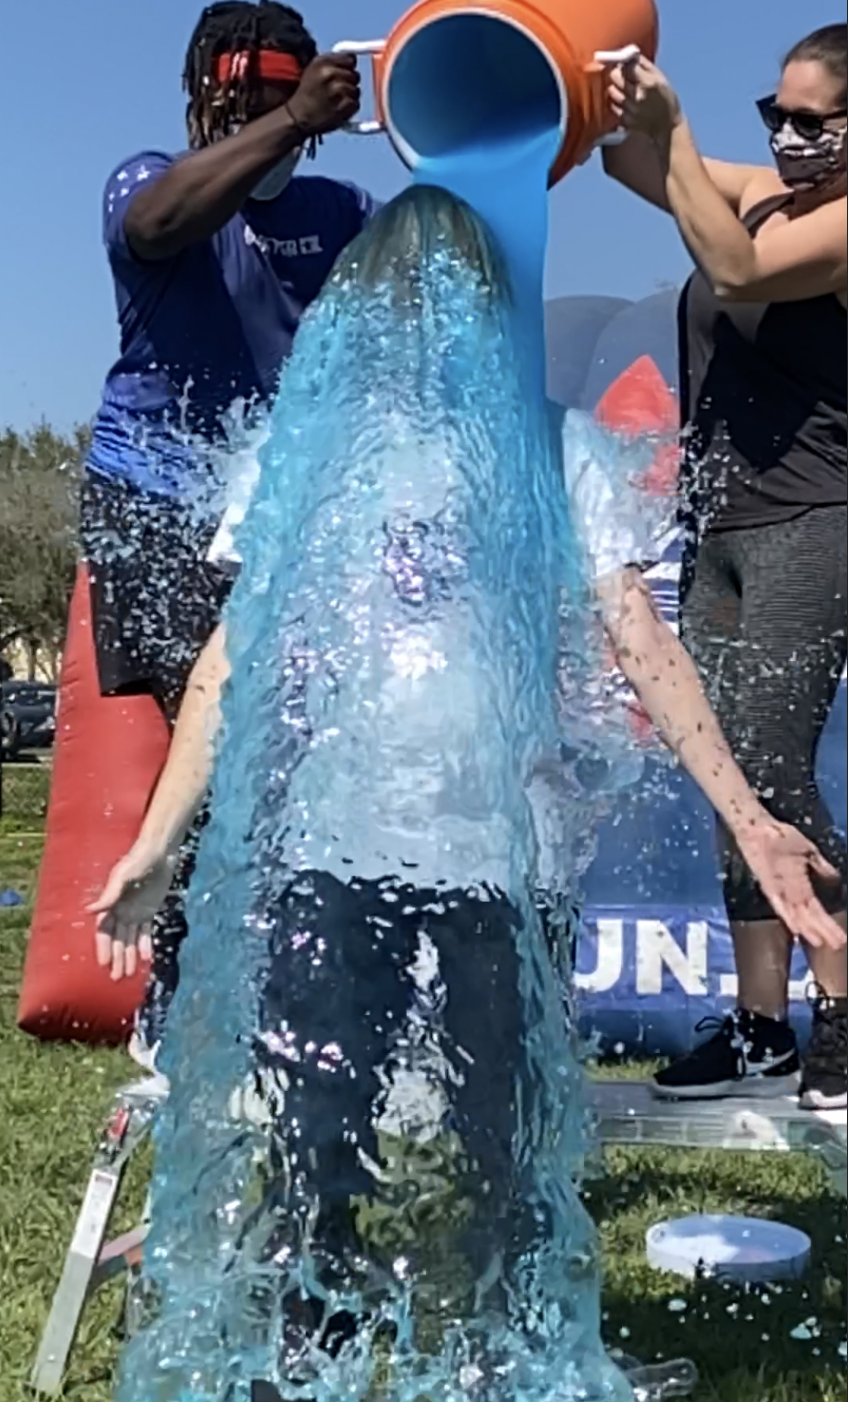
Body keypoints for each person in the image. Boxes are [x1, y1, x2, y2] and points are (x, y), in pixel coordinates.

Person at [90, 187, 842, 1387]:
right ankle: (309, 1345)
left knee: (508, 1137)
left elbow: (642, 644)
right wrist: (160, 840)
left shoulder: (553, 446)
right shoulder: (309, 461)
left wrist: (749, 817)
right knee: (315, 1138)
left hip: (508, 858)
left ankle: (519, 1350)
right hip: (335, 850)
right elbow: (233, 659)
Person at [82, 0, 375, 1058]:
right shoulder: (144, 179)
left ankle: (260, 983)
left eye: (281, 86)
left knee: (291, 757)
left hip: (279, 511)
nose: (254, 105)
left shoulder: (344, 207)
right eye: (242, 88)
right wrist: (291, 120)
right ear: (201, 85)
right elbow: (164, 224)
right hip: (155, 501)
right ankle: (183, 994)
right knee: (214, 748)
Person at [603, 23, 847, 1108]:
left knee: (777, 763)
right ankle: (760, 1028)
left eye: (811, 121)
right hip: (719, 528)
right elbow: (623, 158)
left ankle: (839, 1010)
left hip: (814, 519)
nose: (787, 139)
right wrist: (610, 39)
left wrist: (681, 131)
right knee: (728, 773)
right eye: (774, 115)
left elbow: (734, 263)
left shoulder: (825, 225)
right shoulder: (756, 189)